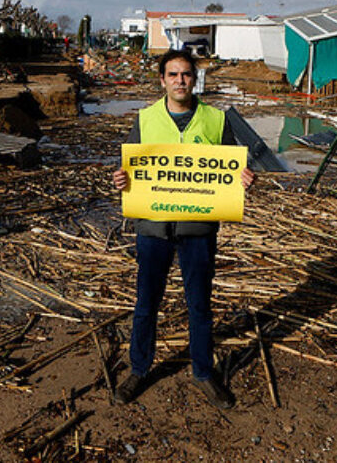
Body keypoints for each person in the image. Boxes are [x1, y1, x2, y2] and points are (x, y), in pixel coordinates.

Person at [111, 49, 255, 409]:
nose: (180, 81)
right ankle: (139, 369)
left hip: (198, 228)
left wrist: (243, 178)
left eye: (186, 75)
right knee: (146, 304)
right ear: (162, 80)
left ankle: (204, 373)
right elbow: (127, 164)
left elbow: (230, 164)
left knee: (199, 306)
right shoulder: (145, 119)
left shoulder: (215, 120)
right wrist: (120, 177)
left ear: (195, 79)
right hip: (153, 228)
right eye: (173, 75)